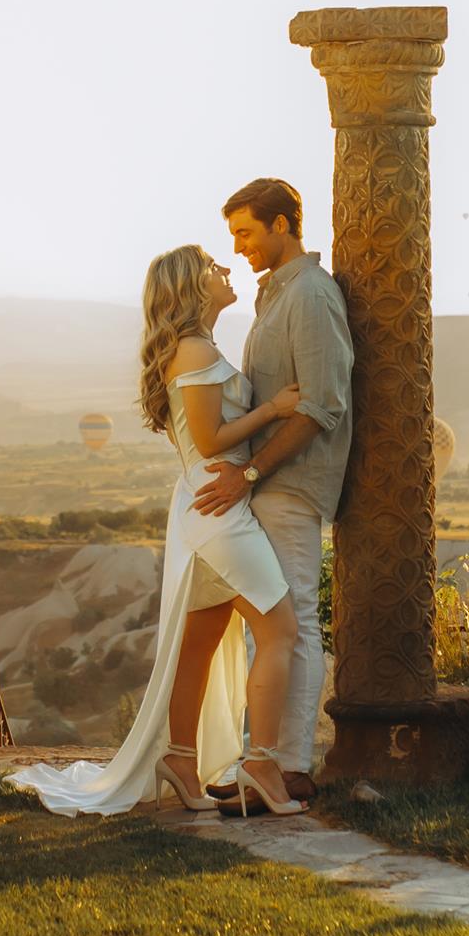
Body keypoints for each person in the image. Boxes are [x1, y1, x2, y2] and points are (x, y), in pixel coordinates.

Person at [7, 243, 308, 818]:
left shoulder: (200, 348)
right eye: (212, 266)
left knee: (199, 643)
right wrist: (274, 410)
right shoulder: (194, 351)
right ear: (191, 286)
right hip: (218, 509)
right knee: (281, 631)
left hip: (208, 505)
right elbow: (212, 438)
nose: (225, 269)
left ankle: (180, 758)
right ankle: (263, 765)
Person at [191, 177, 353, 802]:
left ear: (283, 225)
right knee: (273, 625)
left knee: (296, 622)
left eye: (247, 232)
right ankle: (265, 763)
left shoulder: (311, 295)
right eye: (233, 235)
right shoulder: (276, 296)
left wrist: (251, 473)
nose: (238, 247)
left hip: (290, 483)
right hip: (266, 485)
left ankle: (289, 768)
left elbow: (321, 405)